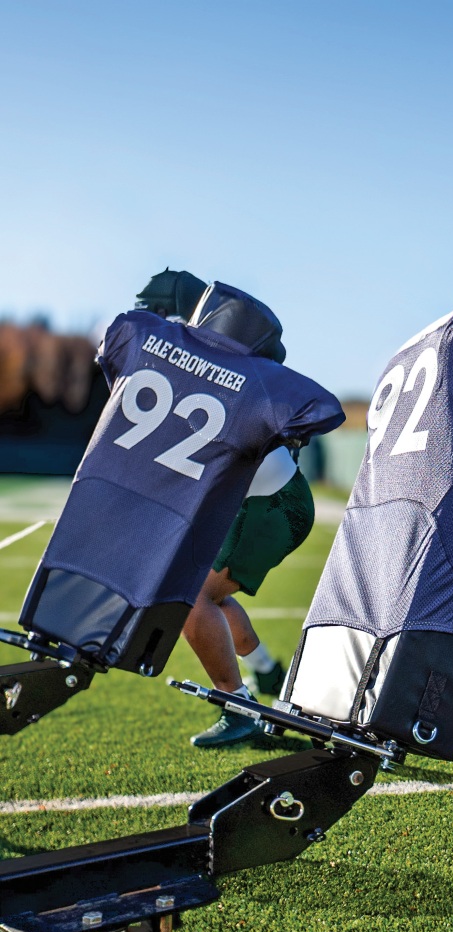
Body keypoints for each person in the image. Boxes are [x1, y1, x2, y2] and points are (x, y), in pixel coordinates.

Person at [135, 269, 325, 747]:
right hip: (264, 500)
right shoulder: (207, 364)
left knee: (187, 596)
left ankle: (238, 706)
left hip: (269, 506)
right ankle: (265, 669)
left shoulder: (210, 366)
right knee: (208, 595)